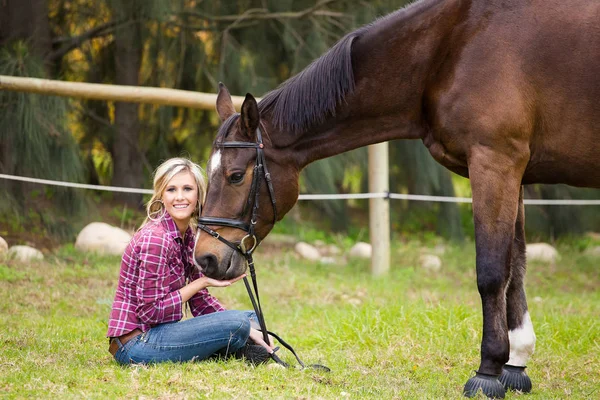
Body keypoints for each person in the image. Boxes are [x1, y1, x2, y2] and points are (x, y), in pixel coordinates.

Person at [107, 157, 274, 365]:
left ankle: (240, 345)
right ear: (161, 195)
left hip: (161, 334)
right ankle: (238, 347)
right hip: (137, 345)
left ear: (199, 195)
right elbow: (151, 313)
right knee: (240, 323)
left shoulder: (188, 236)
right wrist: (202, 283)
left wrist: (244, 326)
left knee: (252, 317)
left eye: (187, 189)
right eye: (171, 190)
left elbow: (200, 302)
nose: (180, 197)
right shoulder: (156, 239)